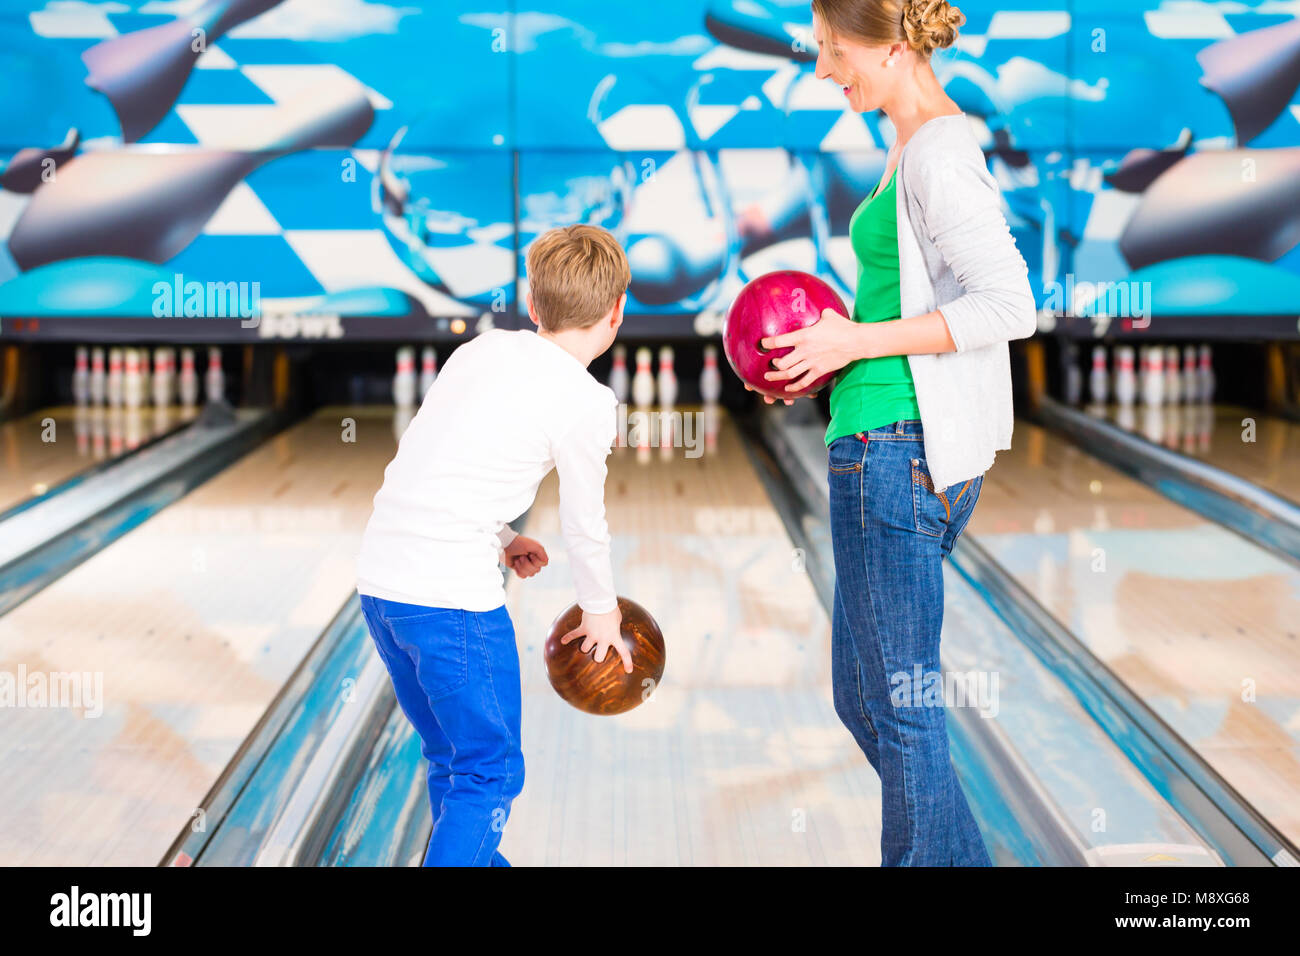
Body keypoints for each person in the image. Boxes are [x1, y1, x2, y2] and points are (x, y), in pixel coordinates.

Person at [755, 0, 1037, 865]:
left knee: (903, 708)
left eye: (832, 50)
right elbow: (906, 301)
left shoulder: (940, 152)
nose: (821, 69)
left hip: (896, 451)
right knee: (867, 699)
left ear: (885, 47)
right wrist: (825, 354)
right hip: (878, 433)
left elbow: (1010, 305)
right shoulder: (908, 145)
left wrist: (856, 342)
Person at [355, 224, 633, 866]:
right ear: (617, 312)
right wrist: (601, 612)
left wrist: (504, 537)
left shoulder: (479, 350)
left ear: (533, 307)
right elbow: (584, 524)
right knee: (490, 774)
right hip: (452, 603)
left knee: (454, 761)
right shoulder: (587, 401)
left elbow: (438, 463)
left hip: (381, 585)